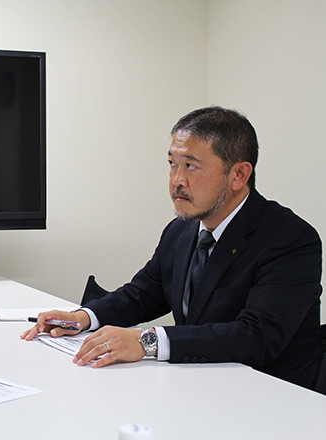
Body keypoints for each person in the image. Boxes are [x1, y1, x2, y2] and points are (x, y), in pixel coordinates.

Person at [22, 106, 323, 390]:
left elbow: (257, 336)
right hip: (201, 386)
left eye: (191, 166)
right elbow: (144, 293)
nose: (177, 180)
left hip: (274, 397)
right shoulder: (181, 229)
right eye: (172, 164)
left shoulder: (289, 238)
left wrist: (146, 341)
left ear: (239, 175)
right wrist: (84, 317)